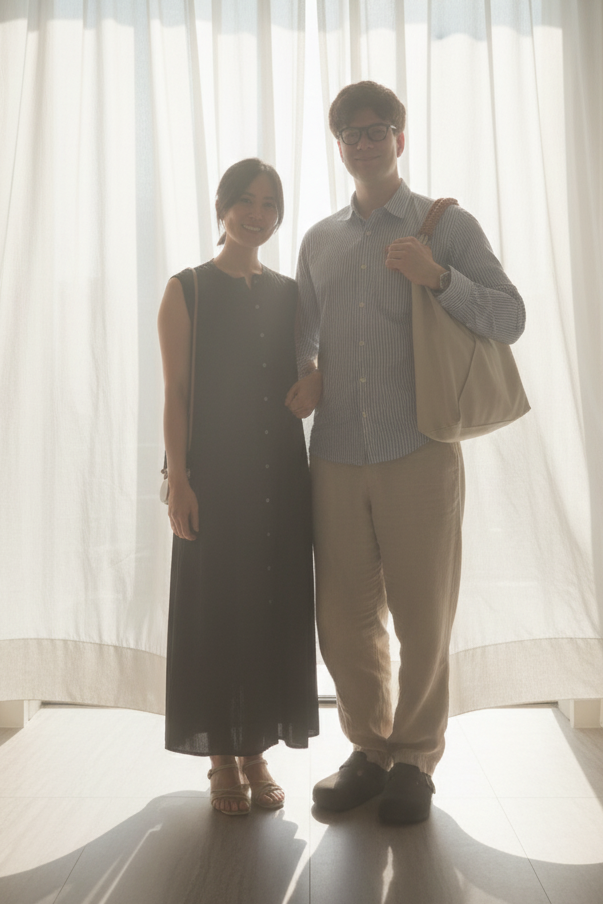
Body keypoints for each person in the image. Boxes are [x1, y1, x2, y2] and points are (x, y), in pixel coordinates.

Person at [285, 81, 526, 824]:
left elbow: (509, 316)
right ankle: (368, 750)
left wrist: (439, 277)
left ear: (399, 137)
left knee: (424, 613)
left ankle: (415, 757)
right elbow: (302, 335)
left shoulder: (442, 226)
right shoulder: (319, 239)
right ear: (338, 147)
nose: (362, 141)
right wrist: (306, 377)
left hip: (419, 447)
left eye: (375, 128)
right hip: (335, 453)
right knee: (343, 615)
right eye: (347, 133)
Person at [158, 158, 319, 816]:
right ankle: (222, 760)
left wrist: (317, 381)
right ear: (221, 206)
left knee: (268, 610)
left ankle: (256, 751)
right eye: (244, 201)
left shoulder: (290, 293)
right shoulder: (187, 287)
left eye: (268, 203)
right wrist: (178, 480)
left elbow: (311, 367)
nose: (256, 214)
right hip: (213, 478)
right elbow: (175, 393)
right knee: (216, 611)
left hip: (281, 477)